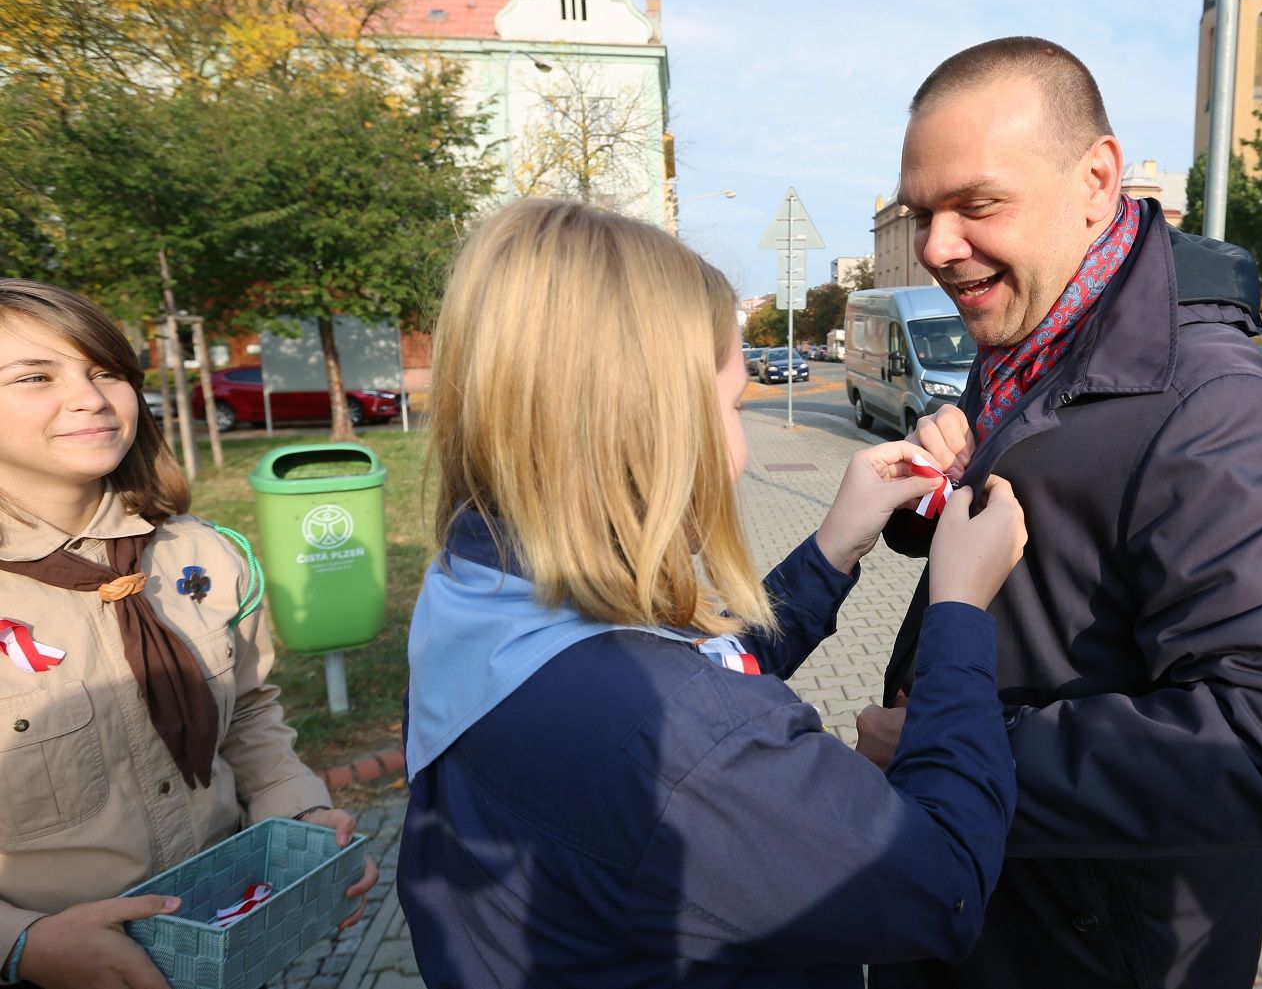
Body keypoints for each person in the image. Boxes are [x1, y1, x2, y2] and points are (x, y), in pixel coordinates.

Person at [396, 197, 1030, 988]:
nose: (739, 451)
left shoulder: (478, 587)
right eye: (730, 405)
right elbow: (943, 884)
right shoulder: (682, 748)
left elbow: (686, 666)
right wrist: (960, 609)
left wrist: (833, 546)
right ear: (652, 426)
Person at [856, 38, 1262, 989]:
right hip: (991, 908)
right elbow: (1052, 532)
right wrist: (930, 493)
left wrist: (959, 750)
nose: (936, 247)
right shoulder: (1035, 332)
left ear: (1097, 181)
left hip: (1089, 952)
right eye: (922, 212)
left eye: (977, 205)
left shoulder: (1212, 408)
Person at [0, 279, 377, 989]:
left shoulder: (204, 554)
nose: (89, 398)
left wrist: (300, 815)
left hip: (224, 939)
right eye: (34, 377)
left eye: (104, 371)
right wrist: (22, 943)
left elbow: (250, 713)